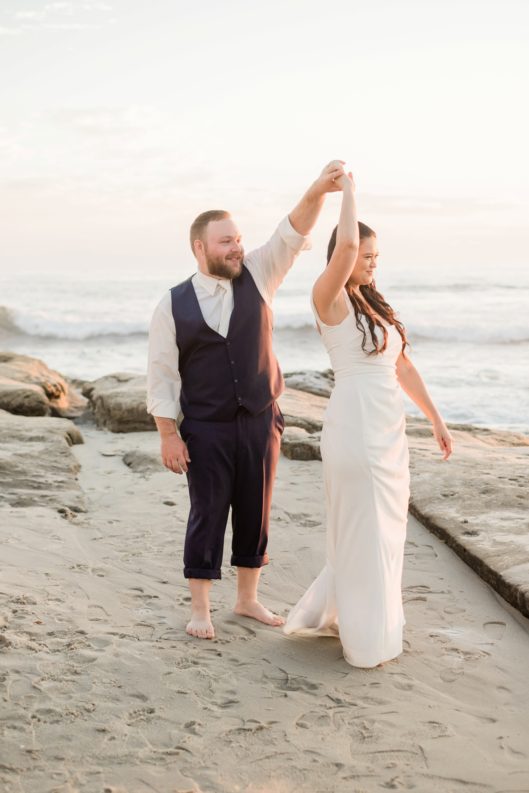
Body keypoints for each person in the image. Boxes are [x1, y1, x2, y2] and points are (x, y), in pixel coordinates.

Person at [147, 161, 347, 640]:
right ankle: (201, 609)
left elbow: (293, 230)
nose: (237, 247)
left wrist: (320, 187)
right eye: (226, 241)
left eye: (238, 238)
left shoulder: (259, 272)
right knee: (207, 513)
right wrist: (168, 435)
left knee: (256, 510)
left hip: (261, 419)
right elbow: (161, 374)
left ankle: (247, 600)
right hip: (206, 426)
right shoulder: (171, 304)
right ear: (200, 248)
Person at [283, 169, 453, 668]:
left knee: (388, 528)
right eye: (365, 255)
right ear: (347, 254)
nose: (372, 263)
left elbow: (402, 365)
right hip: (354, 425)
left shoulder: (373, 304)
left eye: (377, 257)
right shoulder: (328, 297)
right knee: (363, 528)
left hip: (389, 430)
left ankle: (373, 622)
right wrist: (350, 193)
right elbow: (344, 249)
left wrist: (436, 420)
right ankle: (364, 637)